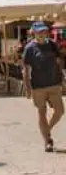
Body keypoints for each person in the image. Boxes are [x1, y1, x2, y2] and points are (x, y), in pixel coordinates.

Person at [23, 21, 65, 153]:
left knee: (59, 112)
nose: (42, 33)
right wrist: (28, 88)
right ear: (34, 33)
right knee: (42, 112)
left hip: (54, 83)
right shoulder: (29, 48)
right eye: (39, 31)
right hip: (38, 86)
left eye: (44, 31)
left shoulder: (52, 45)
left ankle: (47, 131)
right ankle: (48, 141)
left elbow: (59, 62)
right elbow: (25, 69)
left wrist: (62, 78)